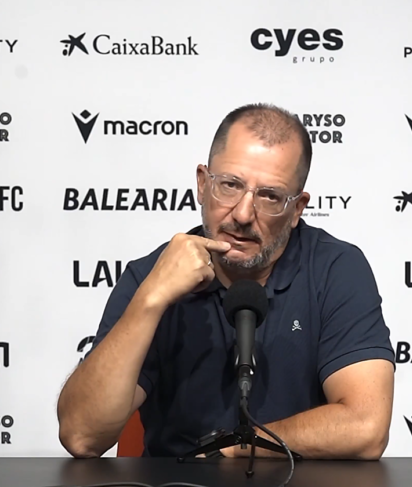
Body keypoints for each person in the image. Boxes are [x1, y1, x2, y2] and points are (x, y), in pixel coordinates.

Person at [57, 103, 395, 460]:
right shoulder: (151, 276)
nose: (243, 214)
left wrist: (239, 446)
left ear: (297, 209)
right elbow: (81, 436)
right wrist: (151, 300)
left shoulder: (336, 269)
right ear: (203, 184)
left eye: (270, 196)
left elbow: (366, 426)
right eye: (230, 185)